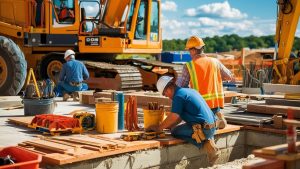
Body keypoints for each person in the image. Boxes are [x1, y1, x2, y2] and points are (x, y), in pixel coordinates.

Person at [149, 76, 219, 165]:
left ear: (168, 89)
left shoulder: (178, 96)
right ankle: (208, 139)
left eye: (165, 94)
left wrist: (159, 128)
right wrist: (169, 125)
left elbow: (174, 116)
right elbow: (179, 117)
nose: (167, 96)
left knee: (175, 131)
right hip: (213, 126)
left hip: (205, 129)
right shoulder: (189, 91)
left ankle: (206, 145)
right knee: (174, 128)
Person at [176, 36, 235, 129]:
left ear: (193, 50)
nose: (189, 53)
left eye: (189, 50)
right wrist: (215, 77)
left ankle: (212, 121)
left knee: (188, 118)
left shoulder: (189, 65)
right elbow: (229, 76)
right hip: (215, 104)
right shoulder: (215, 61)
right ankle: (216, 116)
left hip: (200, 105)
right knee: (210, 115)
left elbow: (181, 86)